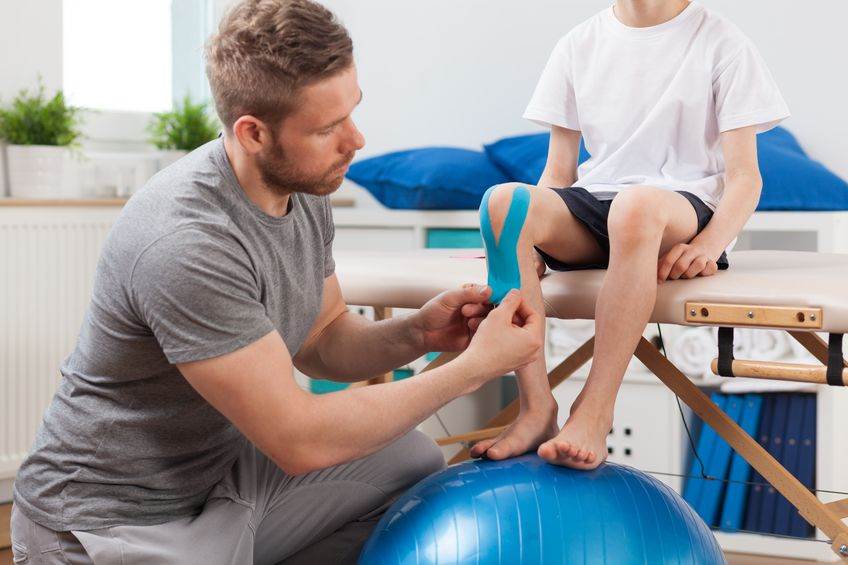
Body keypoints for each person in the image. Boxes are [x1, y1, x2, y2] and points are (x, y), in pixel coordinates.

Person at [9, 1, 542, 563]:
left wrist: (418, 334)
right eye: (328, 127)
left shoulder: (303, 192)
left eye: (352, 112)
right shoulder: (184, 242)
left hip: (220, 485)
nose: (356, 141)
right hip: (111, 523)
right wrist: (474, 369)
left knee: (408, 462)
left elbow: (322, 337)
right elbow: (299, 440)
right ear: (254, 132)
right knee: (329, 445)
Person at [471, 0, 789, 469]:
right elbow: (559, 172)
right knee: (504, 204)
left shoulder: (723, 43)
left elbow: (746, 178)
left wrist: (708, 245)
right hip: (598, 205)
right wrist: (531, 239)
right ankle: (537, 408)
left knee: (636, 205)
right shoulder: (578, 44)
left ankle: (595, 409)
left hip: (680, 207)